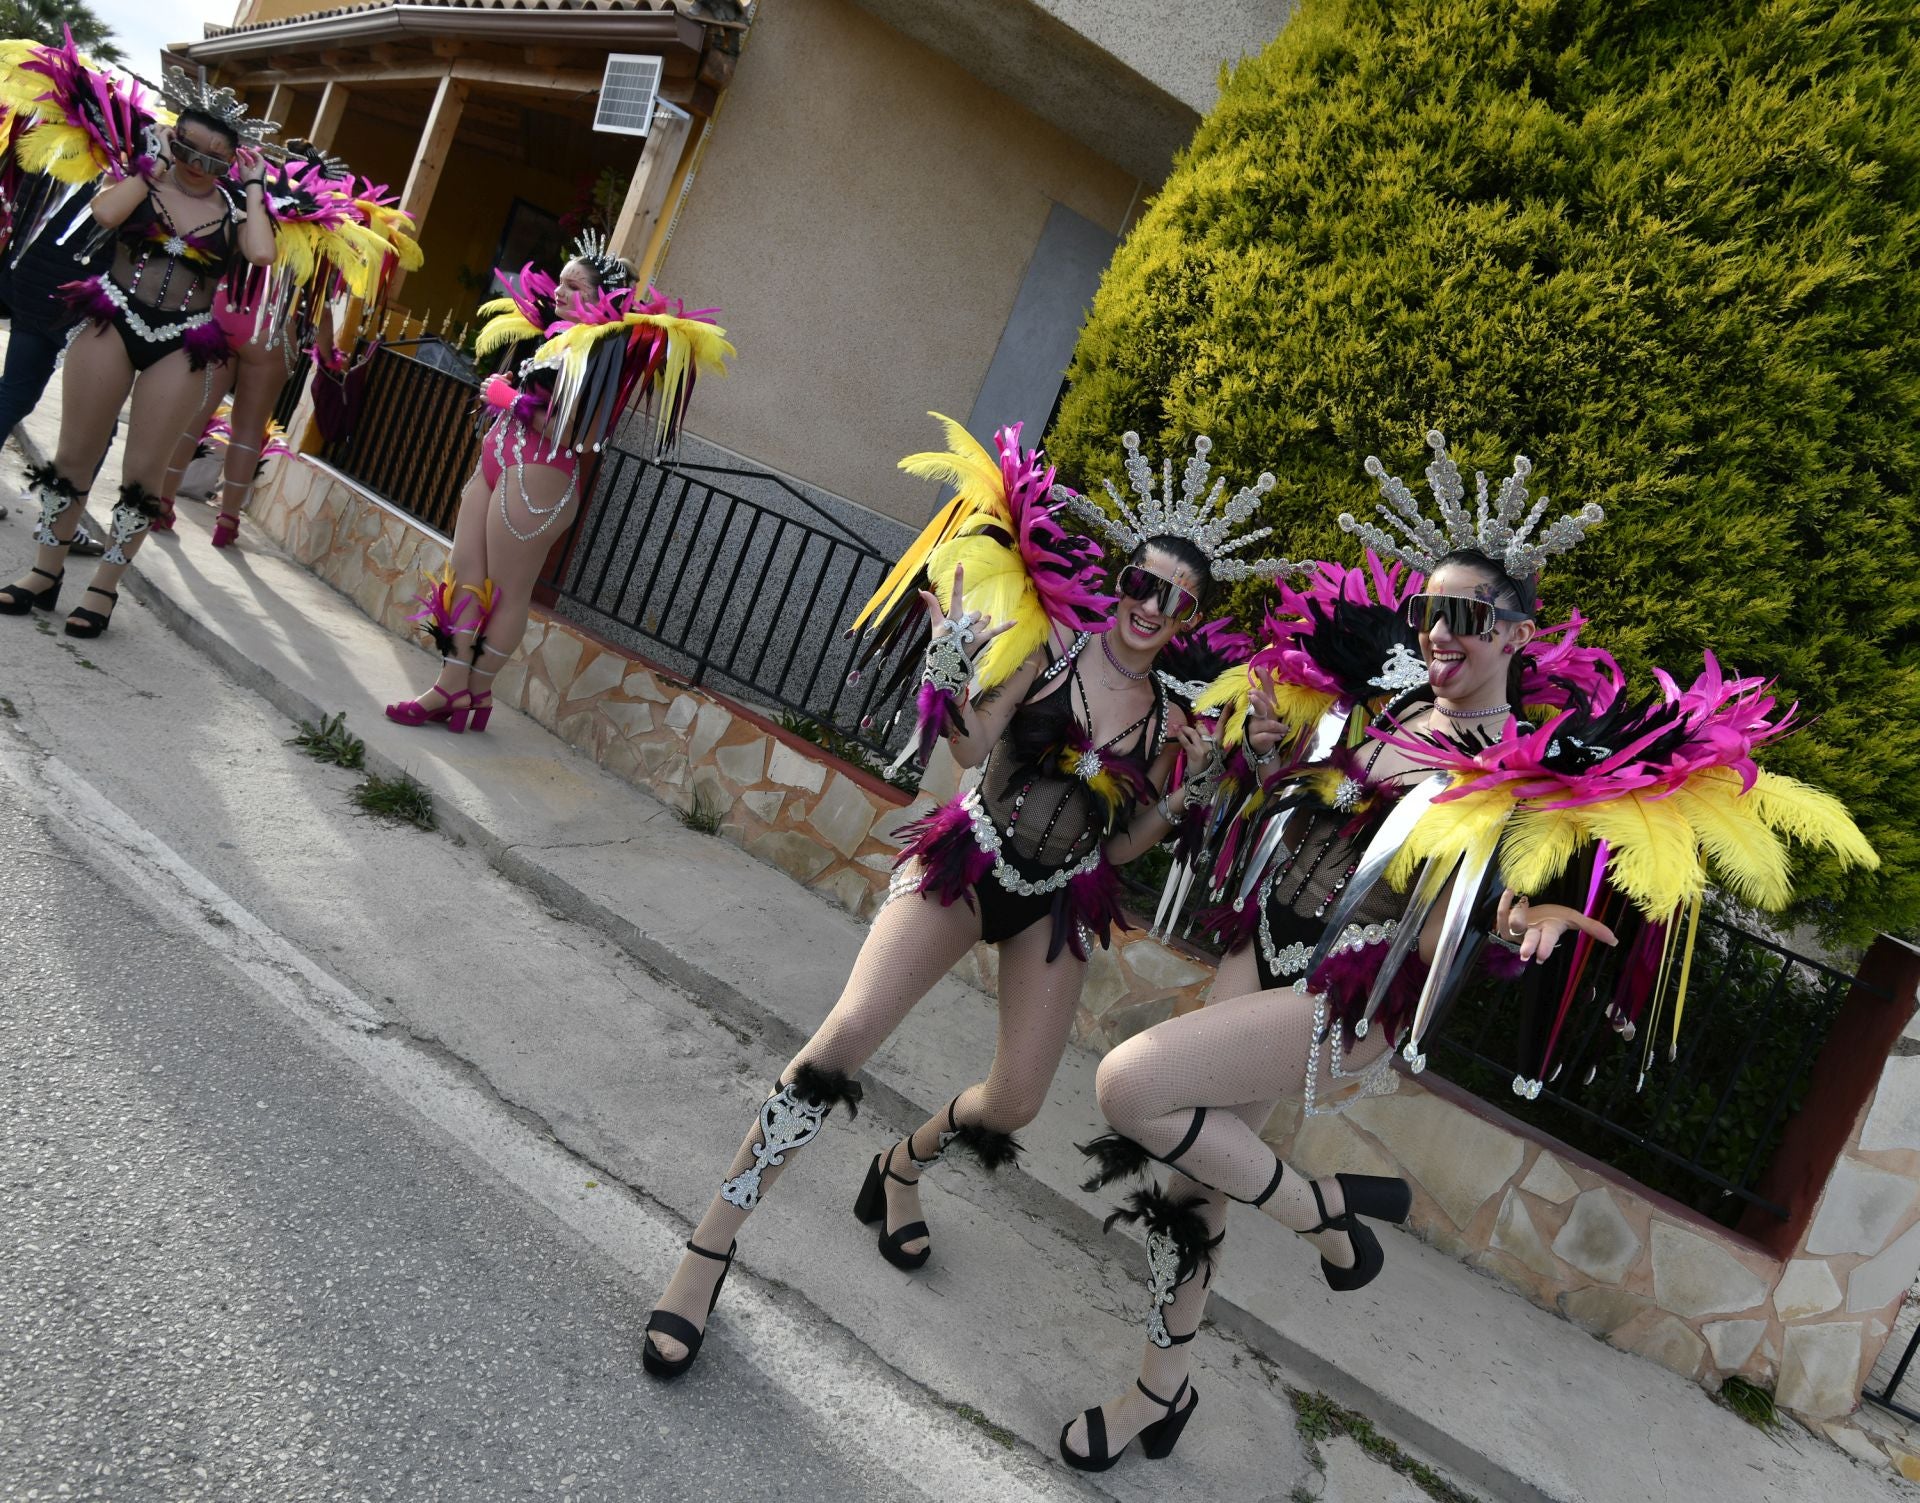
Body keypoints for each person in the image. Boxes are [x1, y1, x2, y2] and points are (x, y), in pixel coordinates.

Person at [1056, 430, 1877, 1471]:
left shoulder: (1525, 769)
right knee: (1190, 1187)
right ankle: (1155, 1393)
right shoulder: (1390, 704)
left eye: (1466, 619)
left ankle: (1331, 1217)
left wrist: (1523, 920)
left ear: (1515, 631)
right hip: (1263, 944)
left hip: (1345, 994)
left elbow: (1501, 885)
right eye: (1427, 613)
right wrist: (1268, 757)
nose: (1440, 635)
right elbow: (1325, 815)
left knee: (1133, 1090)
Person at [638, 424, 1292, 1379]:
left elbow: (1121, 842)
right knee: (847, 1034)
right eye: (1143, 582)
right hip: (966, 861)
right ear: (1119, 580)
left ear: (1188, 623)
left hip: (1057, 901)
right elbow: (972, 751)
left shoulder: (1167, 720)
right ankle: (709, 1244)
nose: (1153, 605)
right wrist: (948, 663)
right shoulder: (1051, 650)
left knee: (1018, 1101)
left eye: (1177, 601)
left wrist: (1187, 792)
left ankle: (900, 1166)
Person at [384, 230, 732, 733]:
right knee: (464, 571)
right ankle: (454, 686)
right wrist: (501, 394)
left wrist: (511, 400)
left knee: (506, 590)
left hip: (537, 476)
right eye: (561, 285)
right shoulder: (557, 341)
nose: (560, 294)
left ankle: (469, 693)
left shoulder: (601, 356)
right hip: (497, 464)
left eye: (575, 288)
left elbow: (580, 435)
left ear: (602, 300)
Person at [0, 62, 276, 634]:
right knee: (74, 455)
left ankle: (104, 588)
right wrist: (148, 167)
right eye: (187, 150)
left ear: (230, 163)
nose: (198, 167)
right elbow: (105, 213)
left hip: (181, 341)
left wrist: (252, 186)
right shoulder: (141, 182)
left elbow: (262, 254)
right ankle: (44, 572)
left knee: (144, 471)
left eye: (214, 159)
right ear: (169, 140)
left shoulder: (234, 210)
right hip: (113, 318)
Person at [151, 143, 397, 549]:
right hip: (272, 330)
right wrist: (328, 353)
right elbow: (321, 305)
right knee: (249, 427)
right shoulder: (325, 225)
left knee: (195, 413)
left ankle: (162, 503)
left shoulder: (252, 199)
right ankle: (227, 520)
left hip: (227, 309)